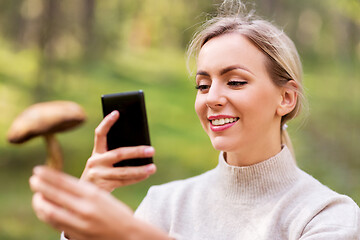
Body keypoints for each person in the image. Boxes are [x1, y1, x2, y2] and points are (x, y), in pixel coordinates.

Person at [29, 1, 360, 239]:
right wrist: (78, 229)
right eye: (203, 85)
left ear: (286, 98)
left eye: (235, 81)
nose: (212, 98)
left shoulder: (326, 214)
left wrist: (132, 233)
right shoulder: (165, 202)